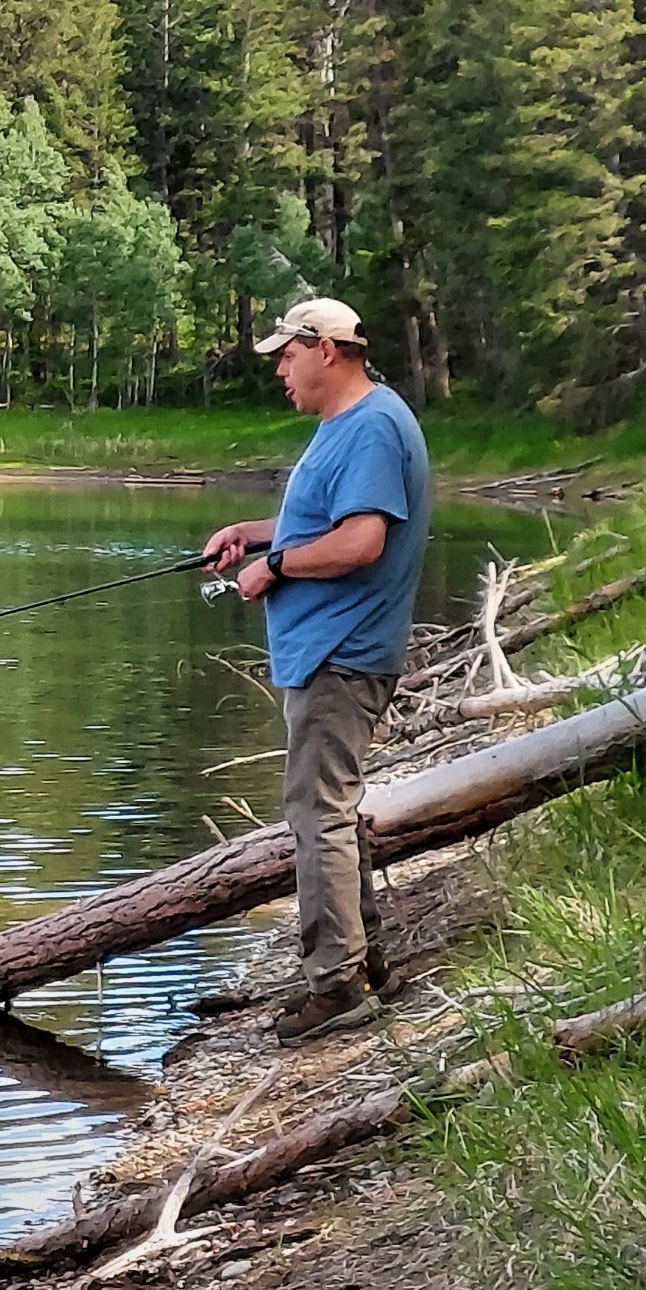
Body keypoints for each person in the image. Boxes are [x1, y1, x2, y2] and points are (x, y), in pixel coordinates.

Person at [202, 297, 431, 1043]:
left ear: (326, 349)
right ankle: (367, 966)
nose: (279, 369)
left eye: (287, 355)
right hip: (325, 653)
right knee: (332, 811)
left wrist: (274, 568)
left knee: (318, 815)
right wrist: (251, 535)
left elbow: (361, 542)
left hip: (343, 654)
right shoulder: (348, 426)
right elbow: (321, 521)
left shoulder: (372, 426)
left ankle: (336, 987)